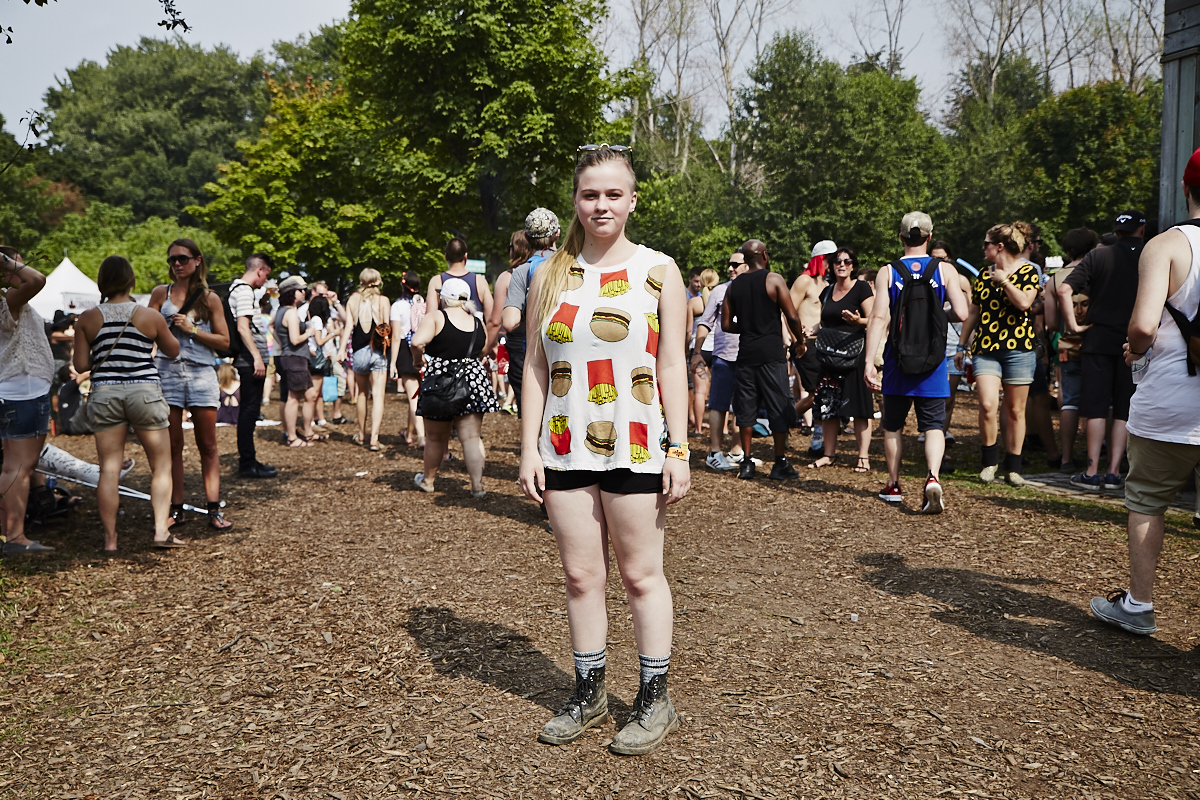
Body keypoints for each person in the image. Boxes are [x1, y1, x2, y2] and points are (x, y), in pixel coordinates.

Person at [519, 144, 689, 756]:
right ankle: (589, 691)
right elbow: (535, 367)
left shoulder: (659, 270)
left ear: (632, 199)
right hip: (564, 444)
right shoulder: (549, 274)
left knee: (641, 576)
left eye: (613, 193)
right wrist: (529, 447)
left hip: (638, 444)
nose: (601, 204)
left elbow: (672, 363)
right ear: (575, 200)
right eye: (590, 194)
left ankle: (654, 699)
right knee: (580, 575)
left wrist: (680, 448)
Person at [1089, 150, 1200, 635]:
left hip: (1172, 400)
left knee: (1149, 498)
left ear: (1184, 187)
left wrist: (1135, 351)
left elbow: (1141, 327)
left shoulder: (1168, 244)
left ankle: (1139, 605)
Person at [73, 256, 182, 551]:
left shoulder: (88, 318)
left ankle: (110, 540)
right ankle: (161, 531)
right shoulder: (149, 316)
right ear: (131, 281)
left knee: (109, 468)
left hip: (105, 392)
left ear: (102, 282)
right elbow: (173, 350)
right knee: (161, 465)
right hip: (144, 391)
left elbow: (81, 363)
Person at [866, 212, 968, 513]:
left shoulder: (888, 271)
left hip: (898, 359)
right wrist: (938, 311)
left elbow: (879, 317)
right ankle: (932, 477)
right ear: (929, 236)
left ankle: (894, 484)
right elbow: (962, 313)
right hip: (933, 359)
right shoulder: (945, 270)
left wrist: (870, 362)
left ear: (901, 237)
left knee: (893, 425)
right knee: (934, 425)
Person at [148, 238, 233, 531]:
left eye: (182, 258)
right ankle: (176, 509)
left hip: (200, 373)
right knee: (172, 445)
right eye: (172, 260)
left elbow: (224, 342)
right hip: (167, 371)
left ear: (197, 260)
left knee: (207, 444)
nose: (177, 264)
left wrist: (192, 329)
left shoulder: (209, 298)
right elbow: (145, 333)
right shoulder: (161, 294)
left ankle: (213, 509)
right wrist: (162, 328)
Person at [1059, 211, 1145, 491]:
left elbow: (1064, 290)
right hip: (1134, 341)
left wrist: (1073, 326)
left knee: (1095, 408)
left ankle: (1091, 470)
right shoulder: (1151, 254)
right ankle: (1114, 472)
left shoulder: (1098, 256)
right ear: (1141, 230)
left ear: (1117, 231)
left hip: (1097, 339)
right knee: (1123, 408)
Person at [955, 223, 1041, 485]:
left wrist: (1004, 281)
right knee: (987, 405)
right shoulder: (983, 274)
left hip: (1019, 349)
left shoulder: (1028, 272)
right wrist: (961, 346)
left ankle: (1013, 466)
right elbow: (973, 312)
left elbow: (1025, 303)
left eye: (986, 244)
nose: (983, 248)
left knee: (1016, 410)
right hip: (986, 348)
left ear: (999, 246)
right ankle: (989, 462)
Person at [721, 239, 807, 480]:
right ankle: (779, 462)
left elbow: (726, 324)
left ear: (746, 260)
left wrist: (748, 327)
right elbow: (792, 315)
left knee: (746, 408)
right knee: (778, 405)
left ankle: (746, 462)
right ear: (765, 256)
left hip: (746, 353)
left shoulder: (733, 286)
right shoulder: (774, 280)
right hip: (771, 354)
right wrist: (800, 341)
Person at [410, 277, 498, 495]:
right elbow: (483, 349)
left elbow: (416, 342)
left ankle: (428, 480)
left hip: (441, 381)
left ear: (443, 298)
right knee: (471, 437)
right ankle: (477, 487)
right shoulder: (477, 321)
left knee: (435, 437)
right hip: (473, 379)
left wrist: (417, 360)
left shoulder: (436, 317)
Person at [0, 247, 56, 554]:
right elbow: (37, 280)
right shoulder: (9, 299)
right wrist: (5, 261)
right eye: (18, 262)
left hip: (20, 390)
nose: (23, 266)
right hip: (21, 391)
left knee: (15, 466)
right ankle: (15, 537)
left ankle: (9, 534)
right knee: (18, 468)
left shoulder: (11, 298)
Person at [808, 248, 874, 472]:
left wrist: (858, 321)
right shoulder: (827, 291)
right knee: (827, 406)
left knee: (860, 408)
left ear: (853, 265)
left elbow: (875, 319)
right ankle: (829, 454)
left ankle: (863, 457)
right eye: (837, 261)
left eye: (847, 261)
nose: (842, 265)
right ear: (832, 265)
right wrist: (811, 330)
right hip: (829, 355)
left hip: (854, 355)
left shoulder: (862, 288)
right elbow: (826, 321)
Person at [1044, 227, 1099, 473]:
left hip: (1067, 343)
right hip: (1097, 342)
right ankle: (1096, 458)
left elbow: (1051, 322)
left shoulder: (1055, 279)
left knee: (1069, 402)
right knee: (1101, 400)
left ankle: (1066, 458)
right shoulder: (1099, 272)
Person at [693, 252, 748, 471]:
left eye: (736, 264)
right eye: (729, 264)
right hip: (724, 356)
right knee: (718, 405)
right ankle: (714, 452)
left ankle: (736, 451)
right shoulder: (719, 291)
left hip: (748, 356)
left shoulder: (755, 289)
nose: (730, 268)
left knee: (743, 406)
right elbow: (705, 323)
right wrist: (697, 351)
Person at [504, 208, 562, 416]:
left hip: (533, 353)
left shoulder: (522, 272)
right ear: (557, 234)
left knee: (535, 413)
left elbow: (510, 322)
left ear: (527, 237)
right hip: (566, 352)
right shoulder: (574, 265)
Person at [228, 253, 276, 479]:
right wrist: (257, 357)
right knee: (249, 411)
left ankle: (251, 459)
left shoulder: (238, 289)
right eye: (267, 274)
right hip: (249, 360)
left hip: (248, 358)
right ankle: (247, 463)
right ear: (260, 270)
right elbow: (243, 327)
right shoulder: (244, 290)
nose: (266, 280)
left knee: (251, 410)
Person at [928, 241, 972, 455]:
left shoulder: (961, 280)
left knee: (949, 395)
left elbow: (970, 313)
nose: (939, 262)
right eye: (934, 258)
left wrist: (968, 343)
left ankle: (941, 434)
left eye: (943, 258)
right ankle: (931, 429)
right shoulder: (925, 280)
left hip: (954, 343)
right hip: (929, 343)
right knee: (930, 393)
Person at [345, 268, 391, 451]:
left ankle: (362, 433)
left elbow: (349, 326)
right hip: (378, 352)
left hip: (358, 352)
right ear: (378, 281)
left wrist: (342, 350)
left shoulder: (353, 299)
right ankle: (374, 438)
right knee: (378, 396)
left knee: (362, 394)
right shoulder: (384, 301)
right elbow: (386, 327)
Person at [275, 285, 321, 447]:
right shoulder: (291, 313)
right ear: (291, 293)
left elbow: (273, 327)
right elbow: (295, 339)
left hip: (294, 358)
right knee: (293, 398)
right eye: (300, 290)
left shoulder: (280, 311)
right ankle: (292, 437)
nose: (304, 293)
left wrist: (282, 344)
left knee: (311, 395)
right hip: (295, 359)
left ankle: (308, 432)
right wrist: (310, 333)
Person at [390, 271, 427, 447]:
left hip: (406, 350)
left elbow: (396, 337)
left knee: (413, 397)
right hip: (425, 349)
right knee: (418, 394)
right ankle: (409, 434)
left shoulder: (397, 306)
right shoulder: (425, 305)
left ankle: (421, 436)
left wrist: (392, 363)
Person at [427, 238, 493, 322]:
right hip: (473, 333)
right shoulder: (480, 281)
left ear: (446, 257)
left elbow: (430, 318)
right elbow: (492, 320)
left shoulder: (436, 281)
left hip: (446, 334)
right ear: (466, 256)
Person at [687, 268, 719, 436]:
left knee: (699, 392)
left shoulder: (694, 303)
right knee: (720, 389)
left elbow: (687, 330)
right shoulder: (722, 299)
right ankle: (725, 429)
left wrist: (687, 350)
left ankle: (698, 429)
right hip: (718, 349)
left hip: (699, 350)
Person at [306, 295, 340, 427]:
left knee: (318, 392)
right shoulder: (318, 320)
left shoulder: (312, 319)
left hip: (318, 357)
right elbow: (319, 341)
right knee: (314, 392)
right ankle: (310, 421)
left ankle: (320, 419)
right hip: (317, 360)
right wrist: (333, 333)